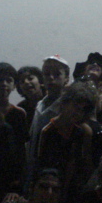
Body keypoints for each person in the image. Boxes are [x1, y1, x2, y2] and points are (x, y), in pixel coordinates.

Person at [38, 82, 98, 199]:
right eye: (76, 107)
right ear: (64, 103)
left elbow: (83, 163)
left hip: (74, 188)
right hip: (52, 185)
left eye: (82, 110)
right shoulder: (48, 131)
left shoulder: (80, 131)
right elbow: (41, 163)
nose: (78, 113)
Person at [26, 55, 70, 188]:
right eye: (46, 74)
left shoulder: (68, 107)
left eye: (57, 74)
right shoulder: (40, 104)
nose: (51, 77)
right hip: (34, 169)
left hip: (56, 173)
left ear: (66, 78)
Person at [0, 62, 29, 144]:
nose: (4, 84)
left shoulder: (19, 113)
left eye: (9, 80)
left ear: (14, 86)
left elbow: (22, 143)